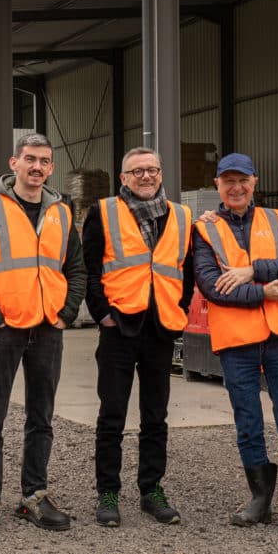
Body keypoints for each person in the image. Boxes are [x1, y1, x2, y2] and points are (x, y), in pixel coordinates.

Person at [0, 133, 86, 536]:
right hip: (5, 329)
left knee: (41, 416)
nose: (36, 167)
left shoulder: (62, 211)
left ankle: (34, 494)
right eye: (29, 159)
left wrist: (66, 314)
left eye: (44, 161)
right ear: (13, 163)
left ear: (51, 168)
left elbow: (76, 269)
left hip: (48, 327)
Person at [192, 152, 278, 539]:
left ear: (254, 182)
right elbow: (212, 286)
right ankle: (260, 498)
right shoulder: (204, 230)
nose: (236, 187)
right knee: (248, 425)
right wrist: (265, 291)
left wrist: (253, 271)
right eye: (228, 180)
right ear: (217, 184)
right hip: (237, 343)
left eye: (242, 180)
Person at [82, 147, 193, 528]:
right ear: (123, 178)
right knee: (112, 414)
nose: (145, 177)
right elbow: (90, 268)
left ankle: (151, 490)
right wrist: (103, 315)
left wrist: (179, 309)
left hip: (160, 327)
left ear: (161, 174)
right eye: (137, 171)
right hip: (119, 328)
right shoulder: (104, 212)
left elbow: (187, 270)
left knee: (155, 415)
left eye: (152, 170)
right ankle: (108, 492)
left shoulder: (180, 215)